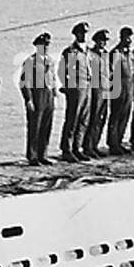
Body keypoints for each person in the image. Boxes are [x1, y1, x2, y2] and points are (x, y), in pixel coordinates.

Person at [20, 32, 55, 165]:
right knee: (35, 126)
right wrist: (28, 99)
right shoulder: (30, 61)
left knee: (47, 125)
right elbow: (24, 82)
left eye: (47, 45)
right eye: (43, 45)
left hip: (48, 94)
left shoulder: (50, 60)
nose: (45, 47)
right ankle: (32, 155)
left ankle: (43, 154)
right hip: (36, 94)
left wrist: (54, 90)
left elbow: (52, 77)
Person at [58, 22, 90, 162]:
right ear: (76, 34)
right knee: (73, 119)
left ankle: (77, 147)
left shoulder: (87, 50)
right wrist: (67, 87)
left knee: (83, 119)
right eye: (81, 33)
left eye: (85, 33)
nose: (84, 35)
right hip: (76, 88)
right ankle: (67, 149)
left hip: (87, 86)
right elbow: (63, 72)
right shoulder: (71, 51)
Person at [107, 27, 134, 154]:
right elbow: (112, 72)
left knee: (125, 115)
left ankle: (119, 141)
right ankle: (113, 144)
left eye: (130, 37)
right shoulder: (116, 53)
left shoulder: (130, 53)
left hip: (129, 86)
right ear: (121, 37)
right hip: (118, 86)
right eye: (127, 37)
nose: (129, 40)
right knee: (116, 115)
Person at [84, 29, 111, 158]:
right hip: (95, 89)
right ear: (96, 41)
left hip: (106, 89)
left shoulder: (106, 54)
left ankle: (95, 144)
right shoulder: (91, 54)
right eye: (101, 41)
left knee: (102, 118)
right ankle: (88, 146)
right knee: (93, 118)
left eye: (105, 41)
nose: (103, 43)